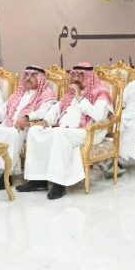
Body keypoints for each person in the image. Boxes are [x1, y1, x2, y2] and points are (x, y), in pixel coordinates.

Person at [18, 62, 113, 199]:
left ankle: (59, 184)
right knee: (35, 131)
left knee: (59, 134)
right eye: (73, 74)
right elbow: (56, 109)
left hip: (89, 132)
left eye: (80, 75)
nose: (75, 78)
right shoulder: (69, 94)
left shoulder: (100, 93)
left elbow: (98, 116)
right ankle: (37, 180)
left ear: (88, 76)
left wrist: (80, 97)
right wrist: (46, 121)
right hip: (65, 130)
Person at [0, 66, 57, 189]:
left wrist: (27, 117)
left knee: (12, 134)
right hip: (7, 124)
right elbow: (4, 107)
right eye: (26, 75)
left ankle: (7, 175)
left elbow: (45, 111)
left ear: (40, 79)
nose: (28, 78)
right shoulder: (20, 92)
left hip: (25, 127)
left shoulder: (46, 94)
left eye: (33, 75)